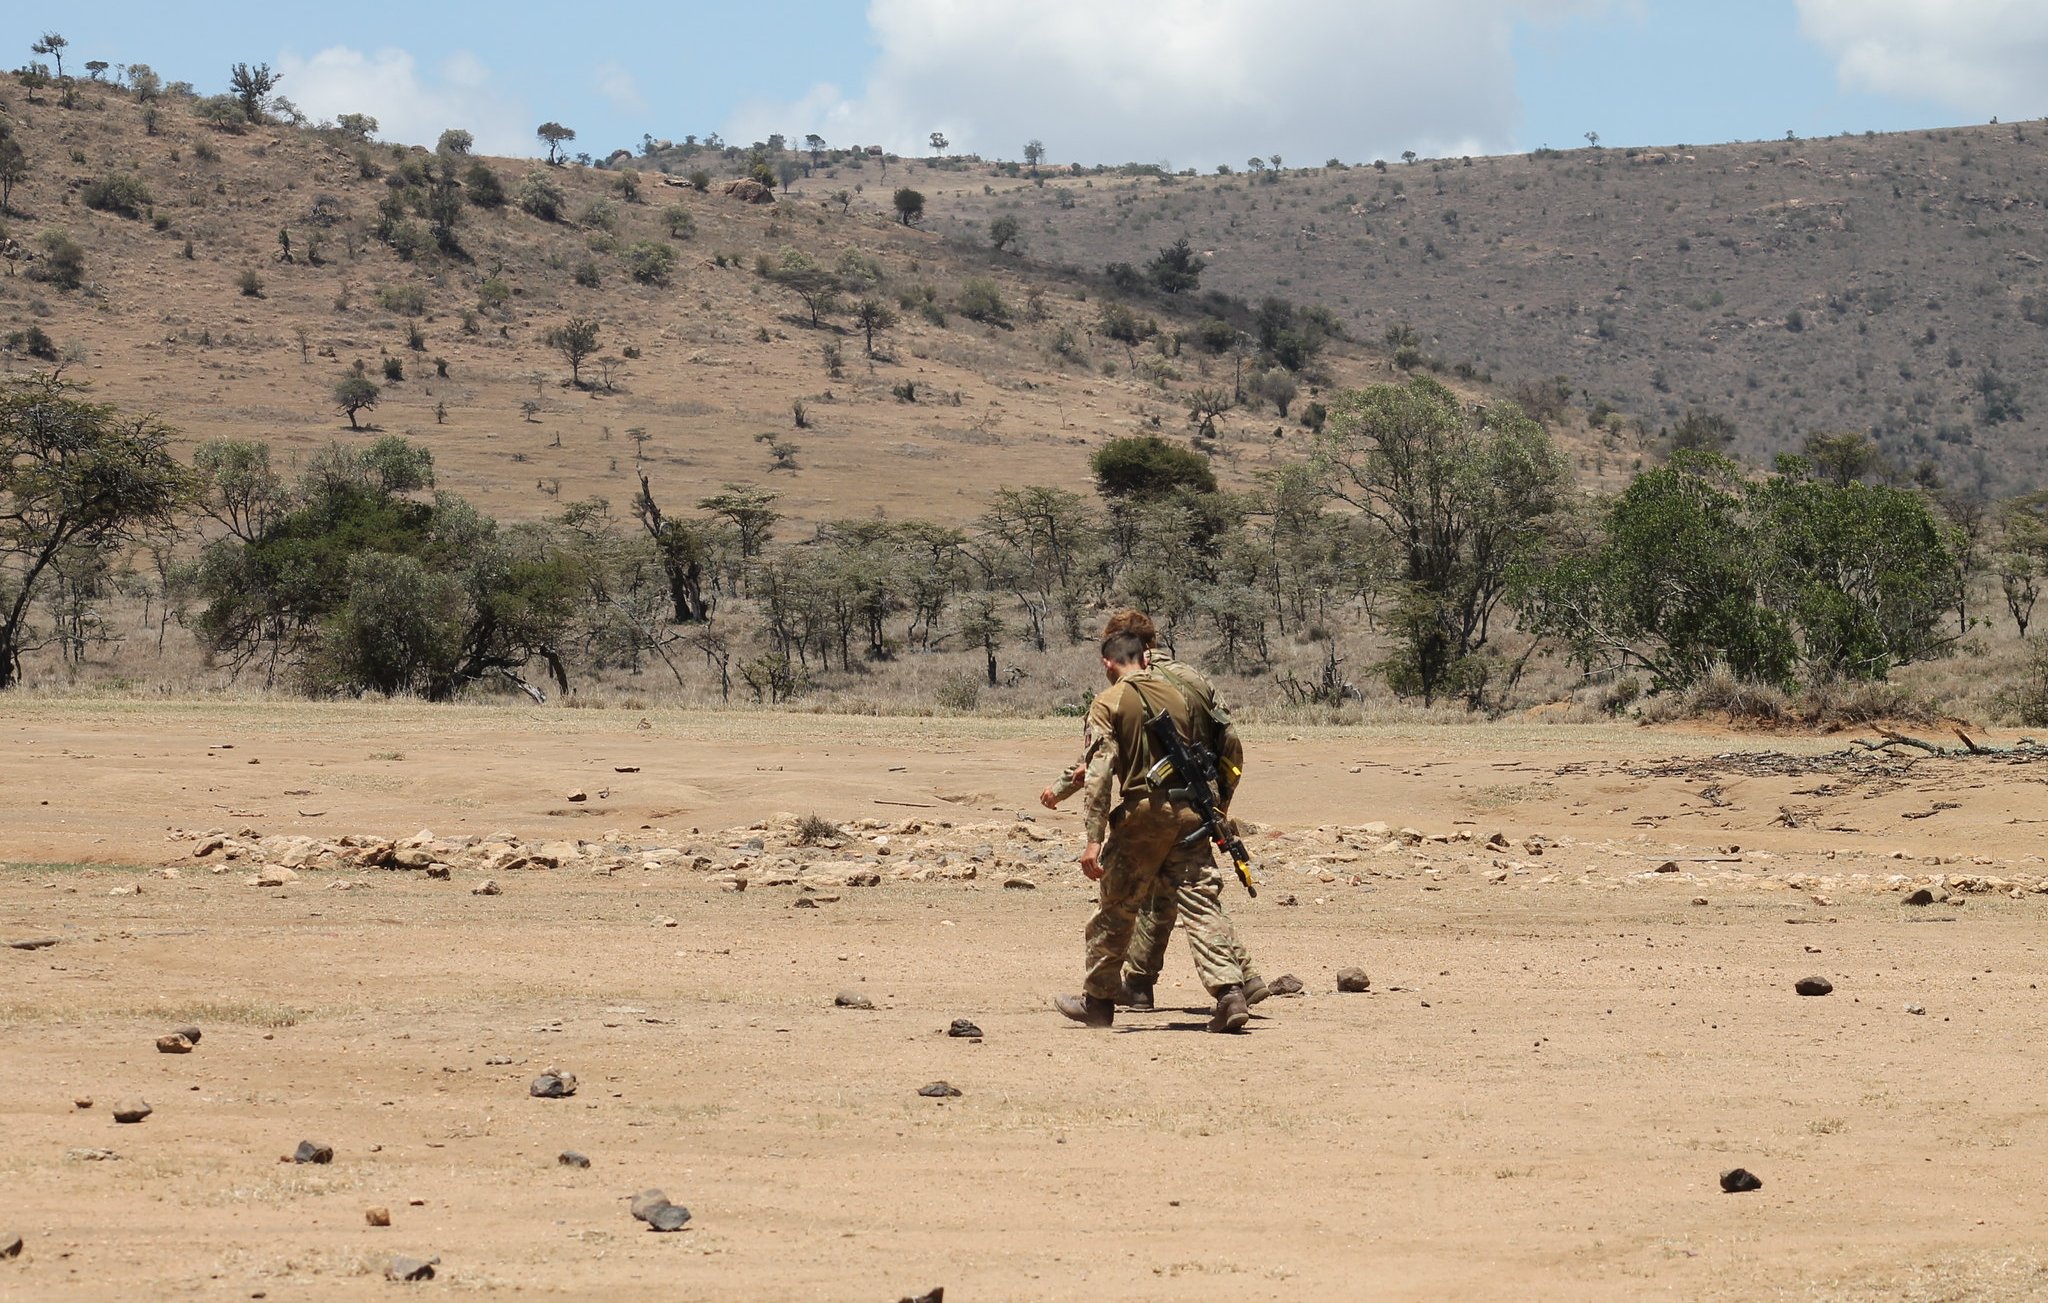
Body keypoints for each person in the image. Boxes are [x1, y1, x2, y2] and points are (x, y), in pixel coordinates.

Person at [1040, 611, 1268, 1010]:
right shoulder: (1189, 685)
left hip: (1145, 811)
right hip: (1193, 806)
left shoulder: (1115, 698)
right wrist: (1218, 804)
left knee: (1118, 907)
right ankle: (1232, 987)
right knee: (1198, 899)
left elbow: (1101, 767)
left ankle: (1099, 1002)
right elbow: (1229, 742)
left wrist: (1090, 835)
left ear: (1115, 657)